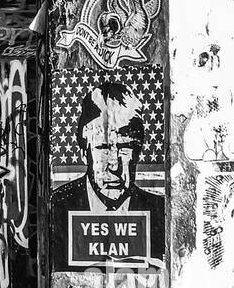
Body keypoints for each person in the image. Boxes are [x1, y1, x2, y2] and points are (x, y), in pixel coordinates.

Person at [51, 80, 165, 267]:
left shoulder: (159, 211)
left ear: (137, 152)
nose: (114, 166)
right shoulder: (57, 206)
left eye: (125, 147)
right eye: (103, 147)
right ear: (84, 152)